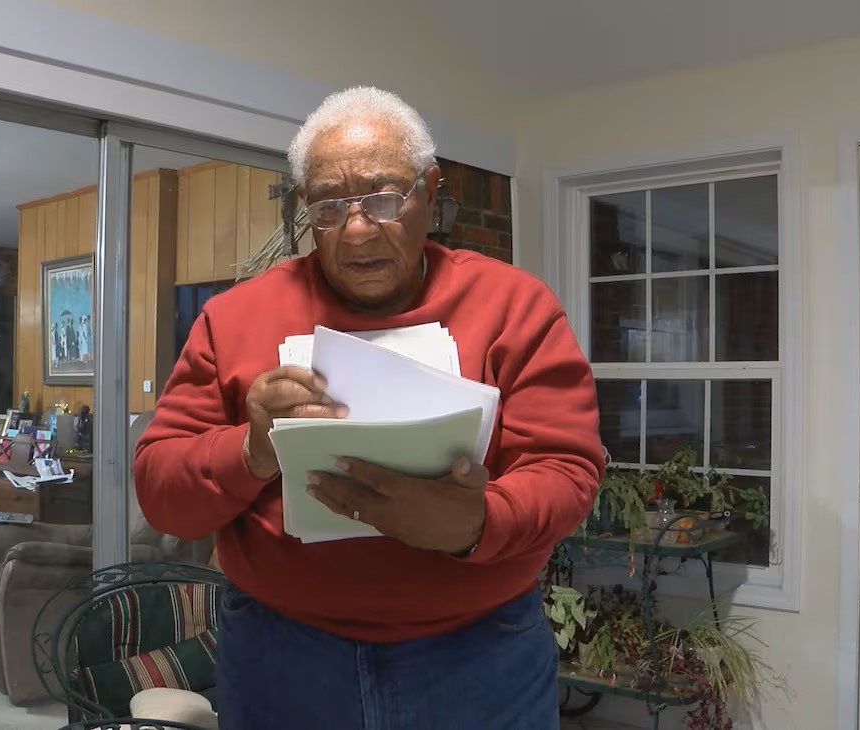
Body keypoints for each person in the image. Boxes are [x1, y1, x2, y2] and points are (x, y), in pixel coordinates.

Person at [134, 86, 604, 729]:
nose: (357, 229)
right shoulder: (233, 318)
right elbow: (162, 493)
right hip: (283, 653)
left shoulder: (514, 307)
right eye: (329, 205)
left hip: (481, 653)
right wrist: (252, 450)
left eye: (385, 197)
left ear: (430, 190)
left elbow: (567, 468)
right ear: (306, 207)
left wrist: (478, 523)